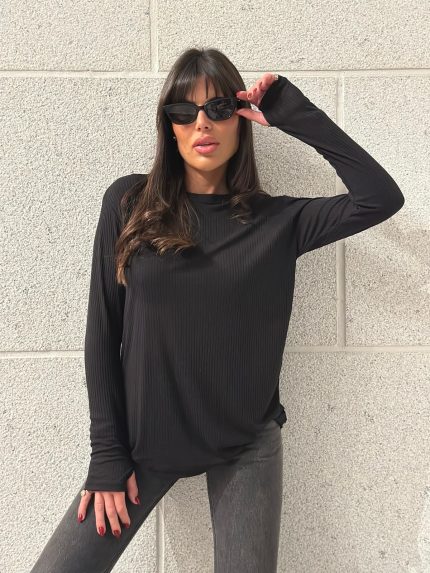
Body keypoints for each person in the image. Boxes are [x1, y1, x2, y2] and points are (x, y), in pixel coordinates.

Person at [30, 47, 404, 573]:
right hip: (142, 442)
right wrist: (107, 454)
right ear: (170, 127)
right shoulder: (129, 204)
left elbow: (379, 198)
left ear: (240, 119)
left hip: (245, 443)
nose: (201, 124)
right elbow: (103, 332)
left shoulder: (278, 222)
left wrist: (294, 114)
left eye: (218, 109)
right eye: (184, 112)